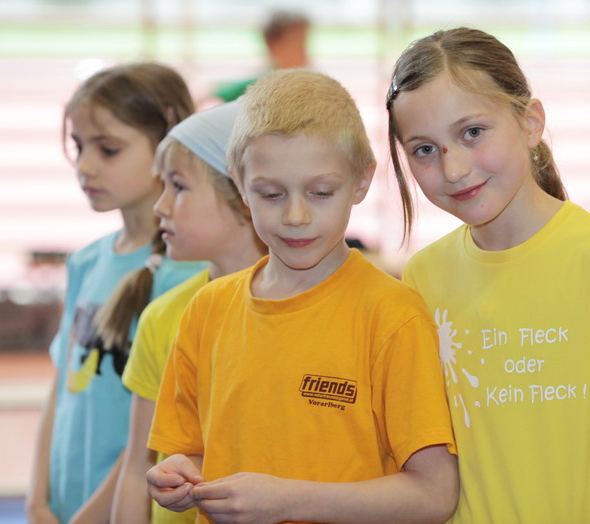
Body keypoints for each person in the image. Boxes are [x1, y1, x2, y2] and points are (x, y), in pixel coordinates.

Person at [386, 27, 590, 524]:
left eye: (472, 132)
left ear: (530, 122)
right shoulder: (423, 276)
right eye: (425, 149)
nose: (454, 168)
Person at [146, 69, 459, 524]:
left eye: (320, 192)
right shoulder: (207, 309)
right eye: (271, 194)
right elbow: (188, 451)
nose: (296, 216)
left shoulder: (391, 315)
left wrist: (288, 501)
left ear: (361, 181)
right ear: (239, 184)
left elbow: (434, 494)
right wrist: (178, 476)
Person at [25, 62, 205, 524]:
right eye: (78, 146)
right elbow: (61, 388)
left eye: (108, 149)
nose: (85, 166)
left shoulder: (190, 277)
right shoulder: (85, 262)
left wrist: (93, 515)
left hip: (124, 508)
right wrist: (37, 499)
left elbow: (150, 433)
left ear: (166, 143)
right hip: (65, 503)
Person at [111, 101, 267, 524]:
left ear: (243, 194)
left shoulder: (305, 311)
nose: (160, 206)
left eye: (178, 186)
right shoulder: (163, 317)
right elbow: (137, 468)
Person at [211, 10, 310, 103]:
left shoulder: (307, 84)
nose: (304, 52)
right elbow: (215, 99)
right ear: (274, 45)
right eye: (297, 44)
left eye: (305, 43)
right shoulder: (255, 85)